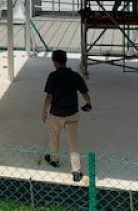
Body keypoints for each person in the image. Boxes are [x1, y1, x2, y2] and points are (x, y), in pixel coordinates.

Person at [42, 49, 92, 182]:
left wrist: (44, 110)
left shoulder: (53, 76)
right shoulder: (75, 75)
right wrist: (88, 103)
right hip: (72, 115)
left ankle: (55, 160)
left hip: (56, 114)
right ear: (65, 60)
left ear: (54, 61)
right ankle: (76, 170)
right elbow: (84, 92)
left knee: (54, 138)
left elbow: (49, 97)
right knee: (73, 142)